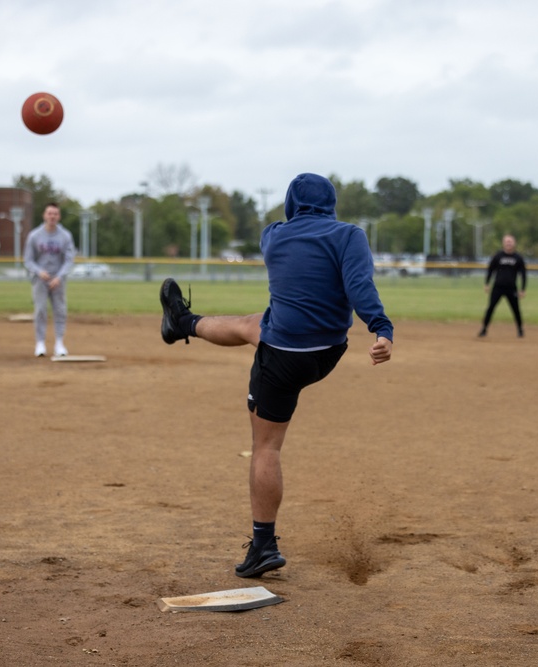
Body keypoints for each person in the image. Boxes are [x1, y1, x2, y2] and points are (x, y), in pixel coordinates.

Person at [159, 173, 394, 578]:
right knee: (255, 323)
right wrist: (381, 329)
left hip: (283, 355)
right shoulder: (350, 235)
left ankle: (264, 545)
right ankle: (183, 323)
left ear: (290, 205)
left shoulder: (273, 237)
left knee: (266, 447)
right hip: (327, 351)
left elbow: (287, 235)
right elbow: (359, 285)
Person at [23, 202, 76, 357]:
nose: (52, 216)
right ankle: (40, 343)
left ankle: (59, 343)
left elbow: (69, 259)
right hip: (40, 279)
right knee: (40, 310)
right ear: (44, 215)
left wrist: (59, 276)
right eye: (49, 213)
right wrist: (39, 272)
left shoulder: (65, 236)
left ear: (58, 216)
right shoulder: (35, 235)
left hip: (58, 279)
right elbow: (28, 260)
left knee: (60, 310)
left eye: (55, 214)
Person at [479, 234, 527, 338]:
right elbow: (490, 270)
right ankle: (484, 329)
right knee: (490, 308)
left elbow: (523, 274)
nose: (508, 243)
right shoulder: (498, 256)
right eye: (506, 241)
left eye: (510, 241)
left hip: (511, 288)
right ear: (503, 243)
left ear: (514, 243)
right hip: (498, 287)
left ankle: (520, 330)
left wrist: (523, 289)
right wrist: (487, 283)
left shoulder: (518, 258)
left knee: (516, 309)